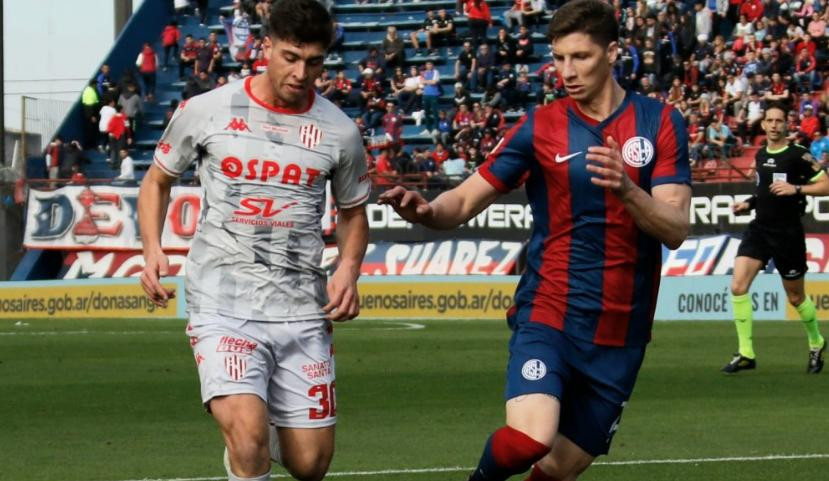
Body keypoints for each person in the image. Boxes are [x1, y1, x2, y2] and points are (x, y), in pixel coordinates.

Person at [378, 2, 691, 480]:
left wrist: (627, 189)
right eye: (559, 57)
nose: (565, 71)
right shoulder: (541, 125)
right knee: (530, 438)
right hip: (551, 311)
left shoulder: (661, 122)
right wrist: (426, 211)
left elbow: (675, 227)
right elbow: (461, 202)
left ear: (612, 52)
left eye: (580, 57)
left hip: (621, 332)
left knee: (561, 467)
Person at [137, 2, 370, 481]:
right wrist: (152, 248)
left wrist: (348, 267)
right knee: (248, 441)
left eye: (315, 61)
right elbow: (157, 180)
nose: (302, 73)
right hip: (222, 300)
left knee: (310, 464)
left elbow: (353, 212)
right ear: (264, 47)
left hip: (302, 308)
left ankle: (251, 443)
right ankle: (244, 447)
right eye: (290, 57)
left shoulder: (340, 132)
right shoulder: (207, 110)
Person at [722, 103, 829, 375]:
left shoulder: (798, 155)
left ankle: (816, 342)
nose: (773, 125)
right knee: (738, 286)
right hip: (759, 229)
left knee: (795, 298)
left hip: (788, 234)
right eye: (769, 120)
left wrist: (796, 188)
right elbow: (766, 193)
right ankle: (746, 352)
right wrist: (749, 202)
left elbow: (826, 184)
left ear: (786, 124)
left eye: (778, 121)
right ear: (764, 124)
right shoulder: (759, 155)